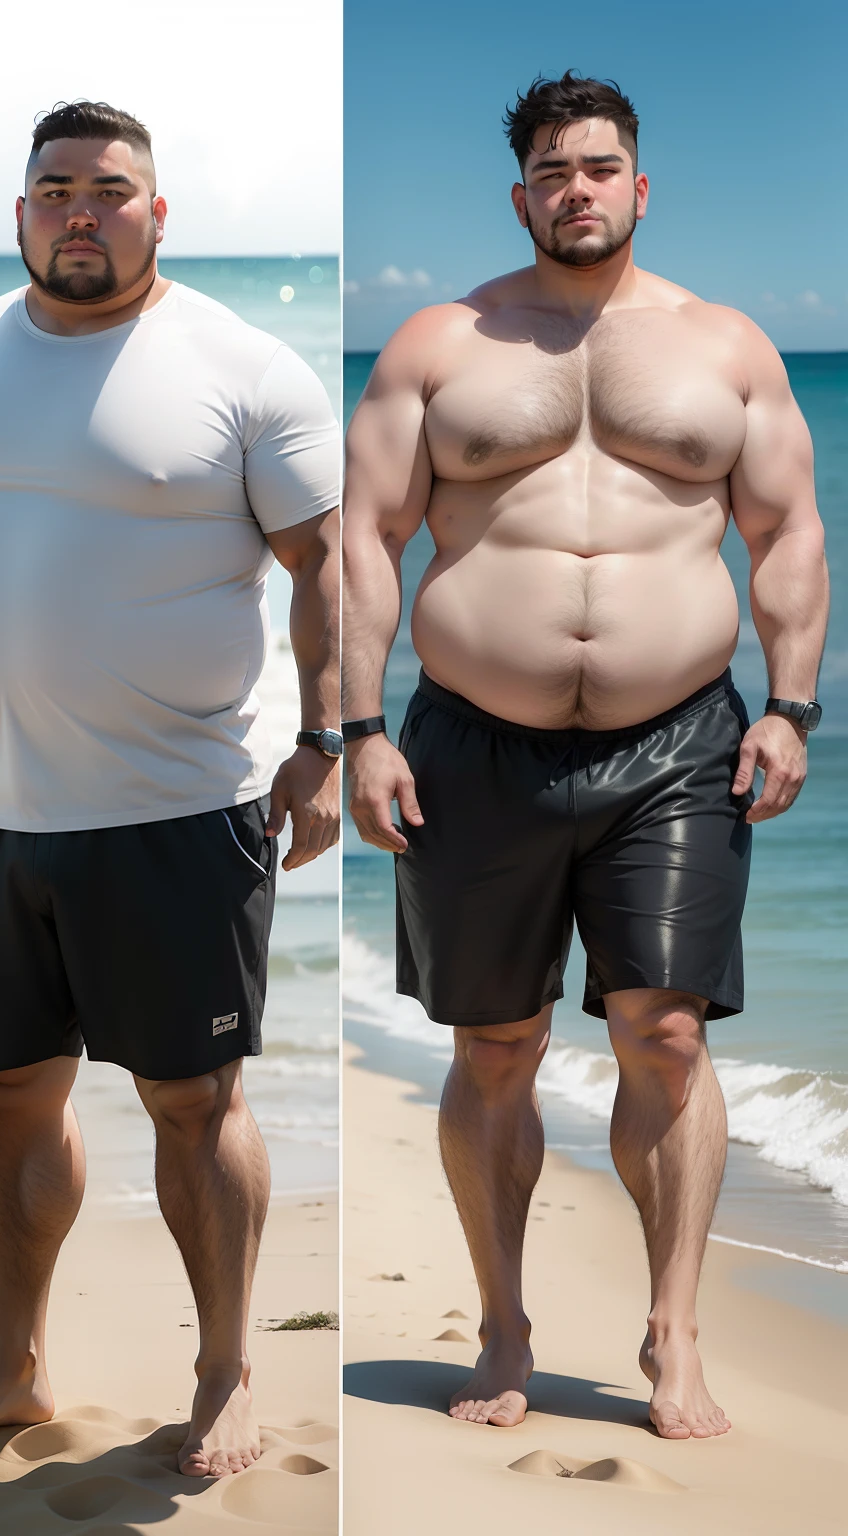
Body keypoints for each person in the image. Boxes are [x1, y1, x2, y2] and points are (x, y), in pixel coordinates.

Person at [0, 100, 341, 1478]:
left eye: (111, 189)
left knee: (196, 1098)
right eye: (54, 187)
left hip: (175, 814)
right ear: (18, 212)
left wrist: (330, 747)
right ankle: (15, 1360)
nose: (80, 209)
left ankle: (225, 1367)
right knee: (5, 1094)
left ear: (157, 215)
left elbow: (331, 571)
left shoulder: (237, 366)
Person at [342, 72, 827, 1442]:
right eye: (554, 172)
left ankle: (672, 1330)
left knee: (665, 1034)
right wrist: (359, 731)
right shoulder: (442, 344)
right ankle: (502, 1323)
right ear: (522, 194)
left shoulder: (725, 349)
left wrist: (791, 706)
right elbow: (363, 543)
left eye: (600, 168)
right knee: (494, 1044)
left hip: (678, 744)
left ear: (640, 186)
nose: (578, 190)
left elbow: (785, 531)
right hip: (467, 745)